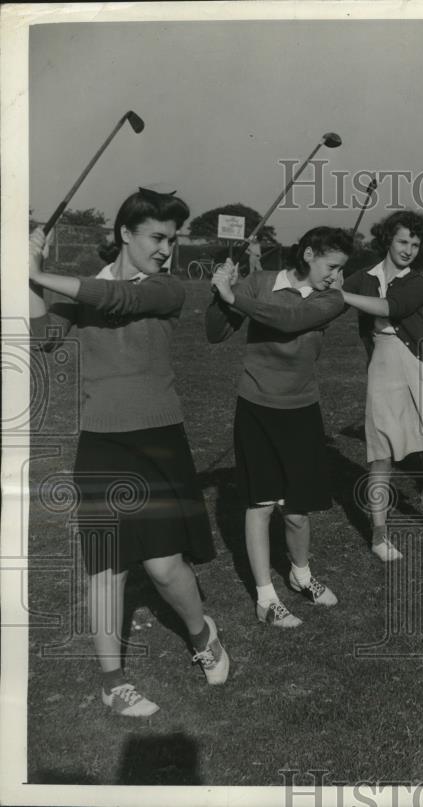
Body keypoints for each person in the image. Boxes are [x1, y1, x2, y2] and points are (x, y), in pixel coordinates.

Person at [29, 189, 229, 717]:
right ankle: (113, 682)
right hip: (101, 439)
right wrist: (30, 271)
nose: (167, 248)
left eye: (173, 238)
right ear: (125, 234)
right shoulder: (88, 289)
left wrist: (36, 270)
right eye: (157, 238)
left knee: (164, 566)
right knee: (106, 566)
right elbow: (43, 336)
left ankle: (202, 633)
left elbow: (119, 300)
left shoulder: (166, 288)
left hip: (159, 437)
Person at [206, 226, 349, 627]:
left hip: (302, 408)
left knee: (298, 511)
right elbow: (215, 332)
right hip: (256, 406)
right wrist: (220, 293)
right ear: (308, 254)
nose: (336, 276)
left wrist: (238, 298)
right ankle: (266, 598)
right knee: (261, 504)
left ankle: (301, 575)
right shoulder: (260, 282)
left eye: (341, 269)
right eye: (331, 265)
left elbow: (289, 320)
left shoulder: (331, 299)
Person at [339, 210, 423, 559]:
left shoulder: (417, 282)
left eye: (414, 243)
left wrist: (342, 295)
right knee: (381, 455)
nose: (408, 249)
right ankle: (379, 536)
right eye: (402, 241)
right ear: (387, 240)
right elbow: (321, 297)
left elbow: (390, 307)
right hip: (383, 366)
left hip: (420, 366)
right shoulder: (362, 277)